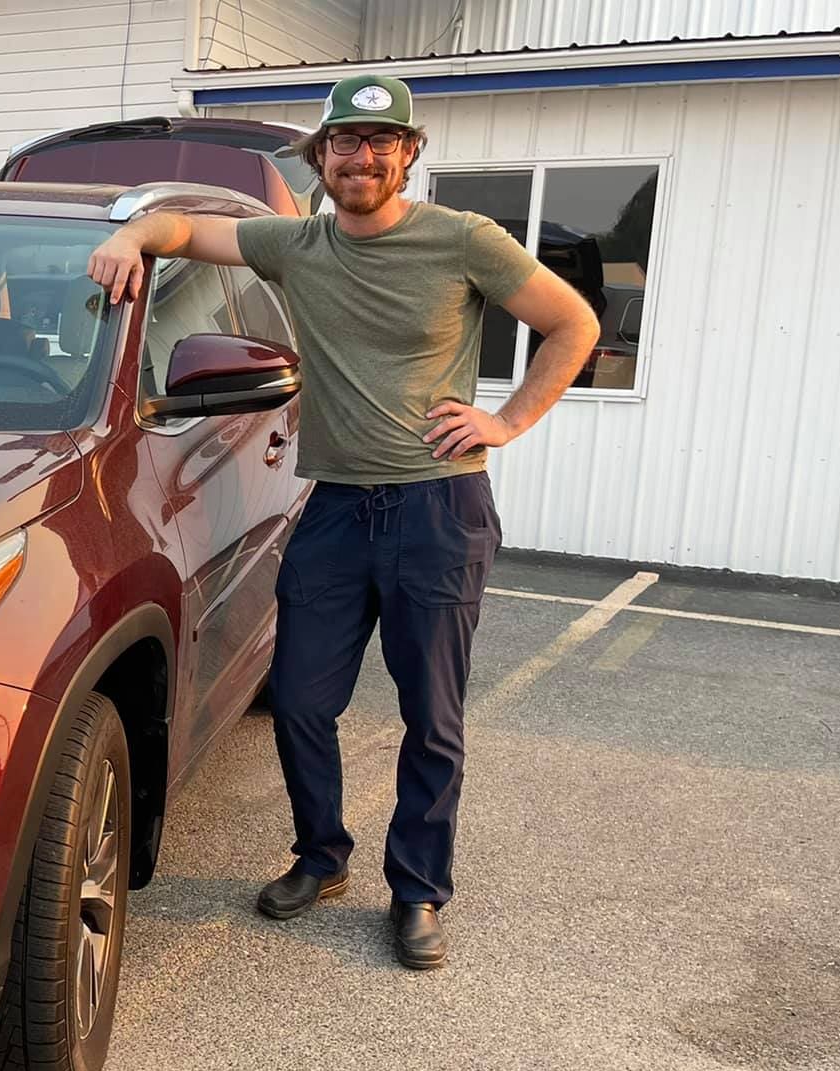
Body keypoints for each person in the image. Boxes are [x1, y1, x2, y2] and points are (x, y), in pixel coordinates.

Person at [86, 74, 599, 970]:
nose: (362, 158)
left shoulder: (464, 240)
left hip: (439, 510)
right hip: (332, 510)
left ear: (408, 154)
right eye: (345, 143)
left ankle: (418, 891)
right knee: (301, 703)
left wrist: (505, 421)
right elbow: (187, 229)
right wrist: (133, 233)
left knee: (430, 715)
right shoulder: (297, 244)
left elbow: (573, 324)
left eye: (381, 142)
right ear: (321, 157)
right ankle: (322, 856)